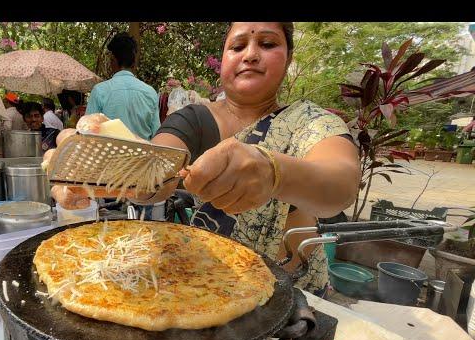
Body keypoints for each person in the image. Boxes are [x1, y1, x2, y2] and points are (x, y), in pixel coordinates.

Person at [45, 22, 360, 295]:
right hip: (208, 286)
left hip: (290, 298)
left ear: (289, 58)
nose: (250, 54)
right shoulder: (194, 119)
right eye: (237, 46)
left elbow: (340, 185)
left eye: (267, 43)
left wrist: (274, 172)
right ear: (222, 59)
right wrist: (108, 168)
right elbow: (155, 172)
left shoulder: (310, 123)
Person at [85, 33, 160, 140]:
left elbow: (88, 132)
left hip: (108, 155)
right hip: (142, 155)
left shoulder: (100, 91)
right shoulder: (150, 92)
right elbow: (156, 133)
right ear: (134, 63)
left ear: (113, 60)